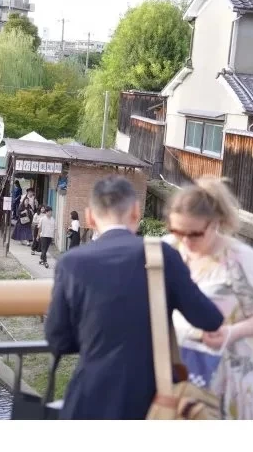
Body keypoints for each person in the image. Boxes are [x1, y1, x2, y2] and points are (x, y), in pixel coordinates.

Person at [45, 176, 224, 420]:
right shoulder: (162, 256)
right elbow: (210, 319)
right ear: (136, 212)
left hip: (90, 399)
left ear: (89, 218)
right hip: (152, 402)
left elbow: (58, 340)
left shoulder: (71, 263)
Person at [164, 177, 253, 420]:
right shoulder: (168, 249)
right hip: (178, 377)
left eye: (194, 234)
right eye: (177, 231)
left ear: (216, 223)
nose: (184, 241)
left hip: (228, 381)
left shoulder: (242, 259)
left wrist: (230, 333)